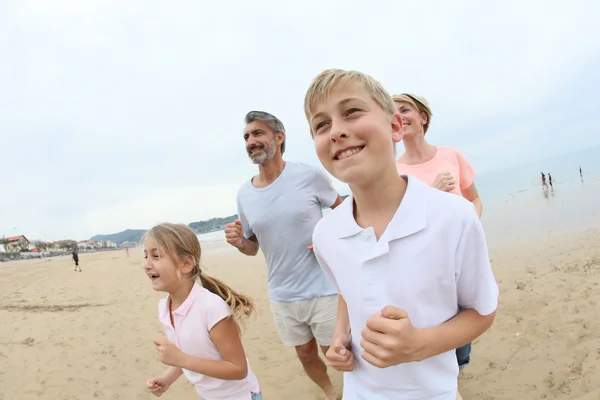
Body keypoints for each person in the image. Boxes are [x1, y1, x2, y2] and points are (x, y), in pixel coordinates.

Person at [303, 68, 499, 399]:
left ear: (395, 127)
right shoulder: (325, 234)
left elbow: (481, 311)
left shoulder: (455, 217)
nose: (336, 131)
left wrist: (419, 345)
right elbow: (349, 292)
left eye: (351, 112)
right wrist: (340, 336)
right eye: (321, 125)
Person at [225, 110, 342, 400]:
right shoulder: (245, 194)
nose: (251, 141)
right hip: (282, 294)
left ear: (279, 137)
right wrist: (240, 242)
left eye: (257, 133)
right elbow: (252, 248)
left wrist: (329, 239)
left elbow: (345, 213)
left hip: (323, 287)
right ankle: (330, 393)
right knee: (305, 355)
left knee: (337, 352)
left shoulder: (309, 175)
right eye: (247, 136)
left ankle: (358, 391)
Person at [392, 93, 482, 373]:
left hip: (461, 256)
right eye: (392, 113)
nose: (399, 116)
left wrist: (471, 227)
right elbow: (396, 224)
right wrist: (432, 192)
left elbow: (475, 201)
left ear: (423, 117)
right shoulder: (394, 169)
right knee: (433, 322)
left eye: (405, 109)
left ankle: (459, 366)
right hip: (423, 264)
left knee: (467, 316)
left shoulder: (451, 155)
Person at [144, 223, 262, 400]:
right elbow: (189, 354)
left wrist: (180, 359)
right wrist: (167, 378)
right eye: (146, 256)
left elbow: (238, 369)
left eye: (156, 256)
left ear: (186, 264)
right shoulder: (164, 307)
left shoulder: (211, 307)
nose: (147, 264)